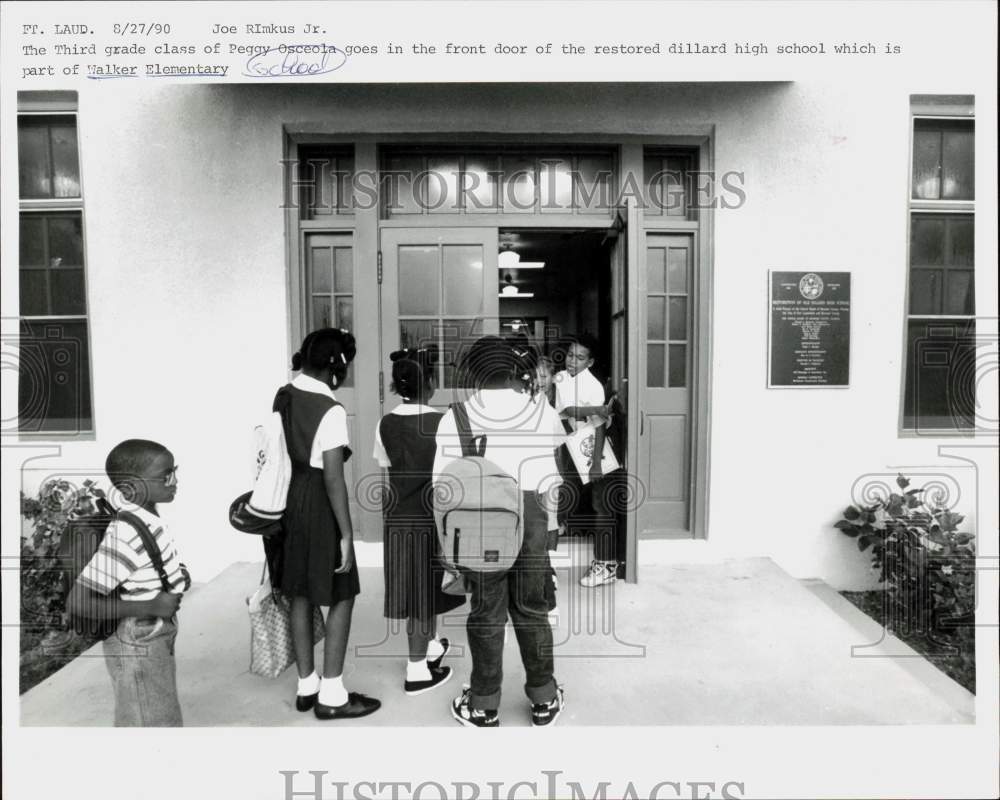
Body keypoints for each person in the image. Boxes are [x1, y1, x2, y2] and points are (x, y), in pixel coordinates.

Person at [434, 336, 566, 727]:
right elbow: (552, 482)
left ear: (473, 372)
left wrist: (447, 549)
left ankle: (483, 703)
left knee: (486, 613)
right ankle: (543, 699)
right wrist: (551, 531)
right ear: (516, 371)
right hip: (532, 518)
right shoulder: (542, 412)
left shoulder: (454, 417)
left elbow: (441, 488)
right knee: (532, 611)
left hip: (478, 524)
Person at [271, 328, 380, 720]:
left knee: (299, 590)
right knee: (341, 590)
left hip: (290, 499)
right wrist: (347, 533)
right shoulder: (330, 410)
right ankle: (333, 694)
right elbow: (334, 477)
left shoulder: (284, 395)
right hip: (318, 501)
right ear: (336, 367)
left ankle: (307, 684)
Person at [68, 439, 192, 727]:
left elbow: (149, 564)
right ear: (130, 489)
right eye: (165, 475)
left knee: (155, 712)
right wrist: (150, 604)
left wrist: (176, 575)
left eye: (174, 471)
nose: (174, 481)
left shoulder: (148, 518)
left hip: (154, 633)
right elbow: (78, 602)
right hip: (138, 640)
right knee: (150, 720)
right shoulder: (124, 533)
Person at [373, 346, 465, 695]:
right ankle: (417, 672)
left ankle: (427, 648)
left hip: (398, 518)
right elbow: (451, 479)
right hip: (432, 519)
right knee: (424, 596)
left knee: (414, 590)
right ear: (430, 381)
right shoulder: (444, 422)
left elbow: (386, 475)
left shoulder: (384, 423)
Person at [552, 334, 620, 588]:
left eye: (580, 358)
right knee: (560, 499)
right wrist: (597, 409)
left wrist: (597, 463)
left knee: (600, 504)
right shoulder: (560, 378)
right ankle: (548, 566)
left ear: (589, 362)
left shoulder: (594, 386)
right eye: (570, 355)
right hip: (570, 446)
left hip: (593, 448)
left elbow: (600, 426)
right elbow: (567, 411)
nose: (572, 361)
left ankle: (606, 564)